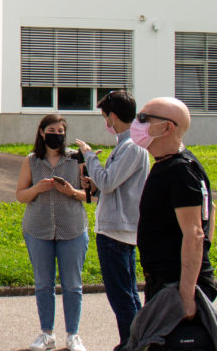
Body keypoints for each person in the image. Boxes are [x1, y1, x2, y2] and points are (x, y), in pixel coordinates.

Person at [74, 90, 148, 350]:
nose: (105, 122)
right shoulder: (127, 146)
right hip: (120, 228)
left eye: (105, 116)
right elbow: (110, 184)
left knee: (121, 295)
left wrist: (89, 155)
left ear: (113, 116)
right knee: (126, 293)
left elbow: (108, 182)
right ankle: (135, 340)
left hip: (116, 230)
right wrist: (93, 183)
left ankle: (132, 343)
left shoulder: (131, 147)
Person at [133, 97, 216, 317]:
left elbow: (195, 233)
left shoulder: (179, 170)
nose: (137, 123)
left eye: (143, 118)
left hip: (175, 286)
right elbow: (211, 211)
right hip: (167, 282)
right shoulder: (175, 164)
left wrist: (187, 295)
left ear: (167, 127)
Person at [16, 113, 89, 351]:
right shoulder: (32, 161)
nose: (57, 135)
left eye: (61, 132)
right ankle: (47, 333)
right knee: (44, 284)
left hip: (73, 230)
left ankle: (73, 335)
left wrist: (71, 192)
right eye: (52, 131)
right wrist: (37, 188)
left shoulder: (75, 159)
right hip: (38, 230)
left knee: (72, 285)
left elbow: (90, 195)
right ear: (41, 132)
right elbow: (20, 195)